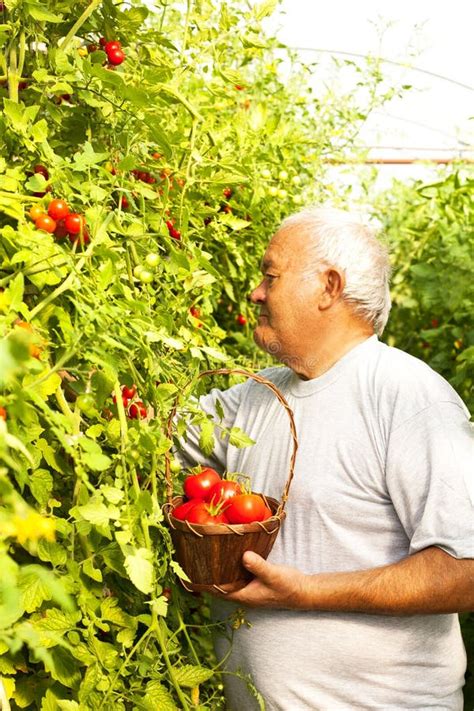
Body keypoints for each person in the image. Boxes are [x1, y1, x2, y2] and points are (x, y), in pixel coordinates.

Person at [178, 207, 474, 710]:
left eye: (270, 275)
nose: (255, 292)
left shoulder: (408, 397)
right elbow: (151, 428)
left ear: (329, 287)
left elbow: (466, 568)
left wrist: (306, 592)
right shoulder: (257, 396)